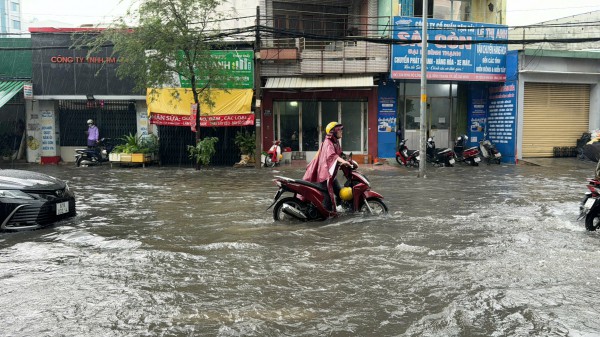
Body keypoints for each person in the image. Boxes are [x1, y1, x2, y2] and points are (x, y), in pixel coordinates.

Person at [303, 121, 352, 212]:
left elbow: (339, 154)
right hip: (323, 176)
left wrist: (348, 160)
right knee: (328, 202)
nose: (342, 132)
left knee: (340, 193)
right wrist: (343, 161)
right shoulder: (328, 142)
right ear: (334, 131)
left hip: (331, 175)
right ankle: (325, 220)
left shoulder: (336, 142)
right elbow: (332, 156)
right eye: (340, 130)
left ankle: (341, 211)